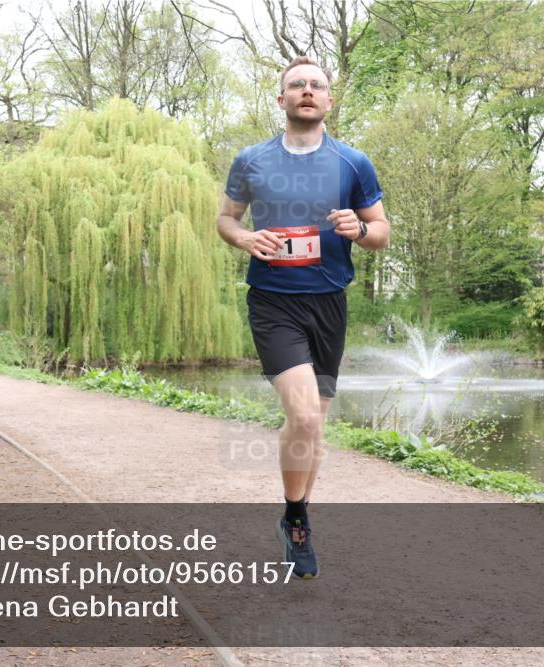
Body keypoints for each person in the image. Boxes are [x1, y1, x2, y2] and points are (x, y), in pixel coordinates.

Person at [216, 56, 390, 579]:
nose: (307, 91)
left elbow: (381, 230)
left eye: (317, 85)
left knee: (315, 427)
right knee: (306, 416)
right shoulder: (252, 160)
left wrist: (356, 230)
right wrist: (246, 238)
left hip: (329, 302)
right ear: (282, 99)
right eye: (297, 85)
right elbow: (226, 218)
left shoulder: (353, 163)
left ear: (329, 100)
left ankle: (298, 514)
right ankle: (296, 520)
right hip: (273, 301)